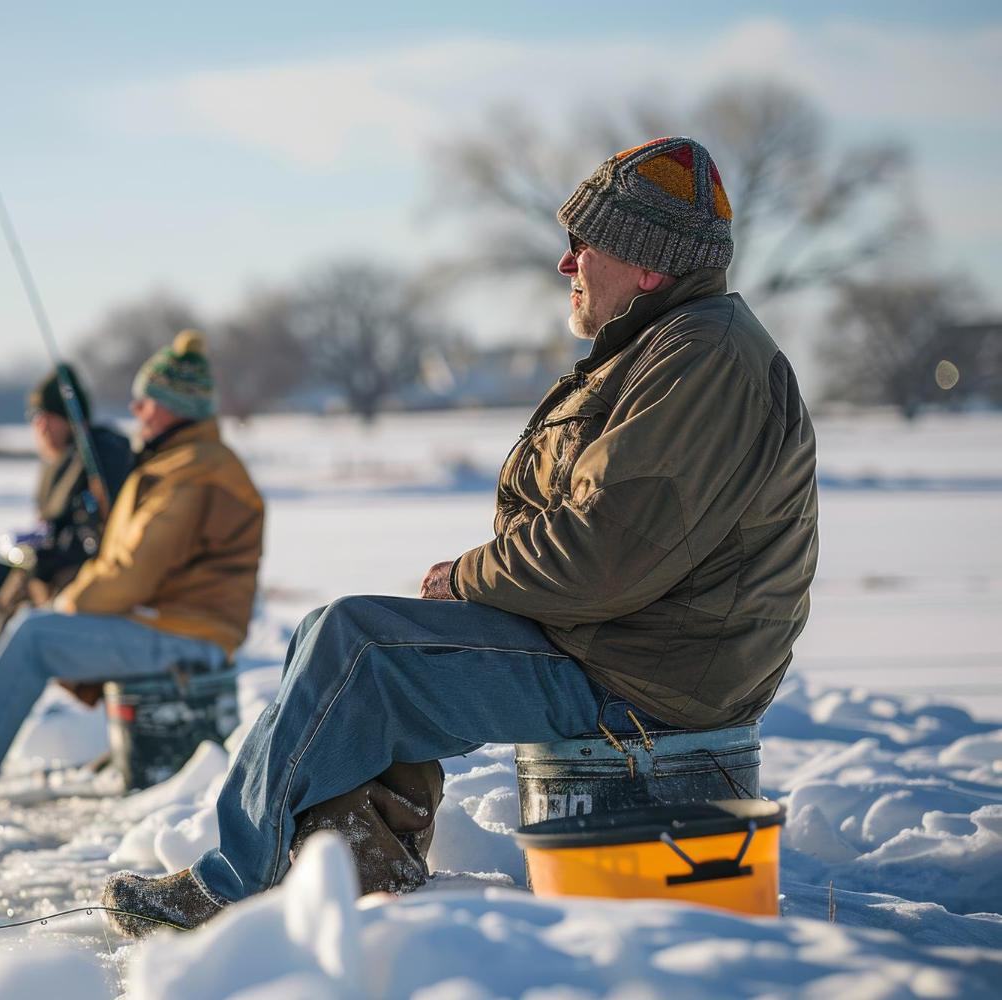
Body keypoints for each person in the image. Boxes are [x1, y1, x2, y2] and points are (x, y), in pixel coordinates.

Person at [100, 136, 820, 935]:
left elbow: (606, 554)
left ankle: (231, 891)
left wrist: (467, 578)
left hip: (646, 673)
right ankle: (357, 881)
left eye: (583, 245)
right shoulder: (669, 346)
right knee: (344, 640)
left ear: (647, 264)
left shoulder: (700, 356)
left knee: (360, 645)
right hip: (627, 643)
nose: (566, 263)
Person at [0, 330, 264, 798]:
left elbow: (133, 571)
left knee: (35, 634)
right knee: (37, 626)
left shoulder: (191, 474)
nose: (135, 410)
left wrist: (69, 600)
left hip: (188, 634)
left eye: (146, 400)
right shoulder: (185, 462)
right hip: (178, 623)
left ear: (177, 405)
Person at [0, 366, 133, 666]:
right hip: (43, 568)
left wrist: (47, 554)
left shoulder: (101, 452)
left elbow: (94, 532)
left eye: (48, 417)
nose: (40, 427)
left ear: (70, 419)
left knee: (14, 596)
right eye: (34, 418)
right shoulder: (54, 464)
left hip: (75, 576)